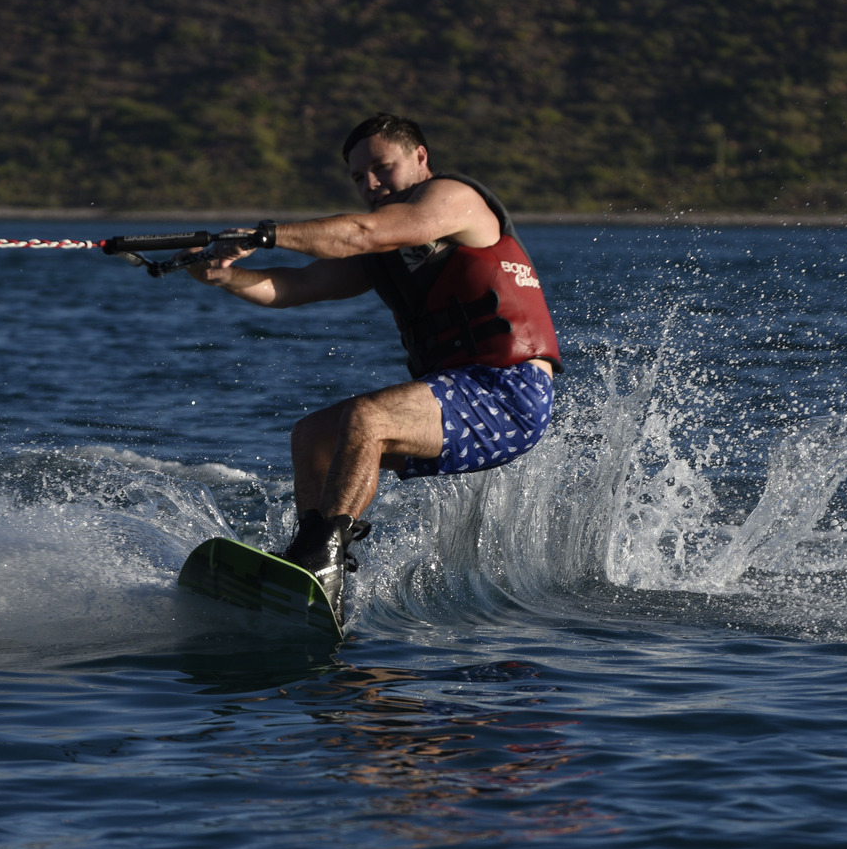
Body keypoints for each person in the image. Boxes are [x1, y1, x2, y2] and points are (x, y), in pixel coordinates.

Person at [186, 112, 564, 607]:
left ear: (420, 157)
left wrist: (263, 235)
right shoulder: (385, 254)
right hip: (461, 392)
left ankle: (319, 564)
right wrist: (222, 275)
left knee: (368, 419)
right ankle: (310, 563)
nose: (370, 184)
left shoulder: (455, 199)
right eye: (358, 177)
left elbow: (363, 231)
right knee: (313, 436)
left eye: (382, 168)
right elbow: (298, 285)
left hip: (508, 394)